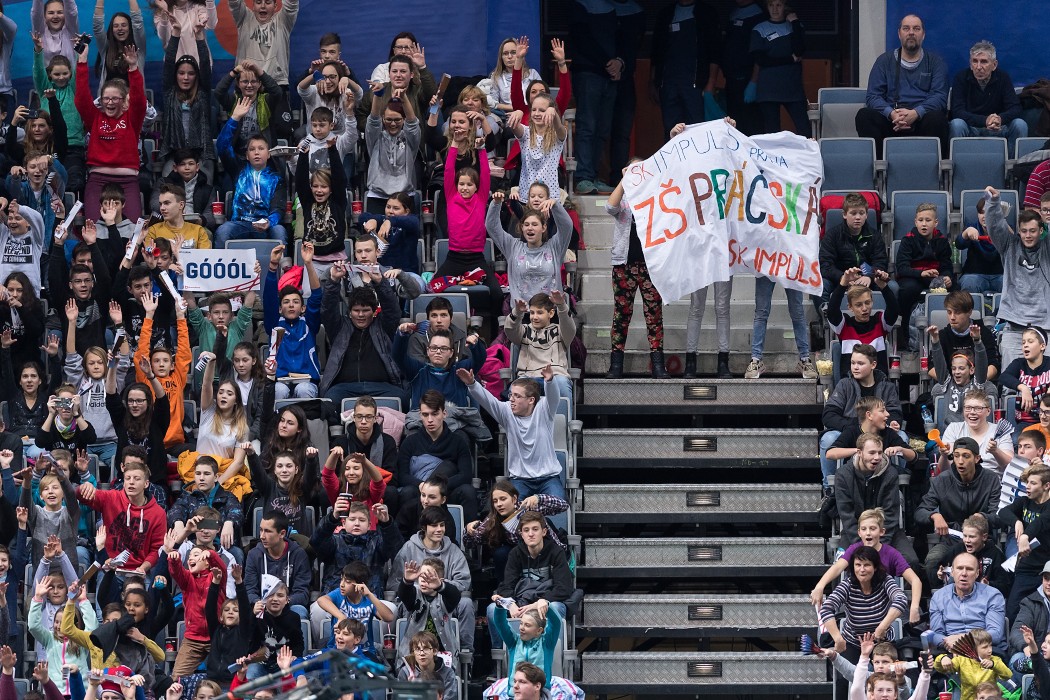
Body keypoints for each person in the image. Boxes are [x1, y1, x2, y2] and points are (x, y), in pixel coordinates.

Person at [463, 366, 566, 529]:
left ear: (531, 400)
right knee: (510, 516)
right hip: (520, 479)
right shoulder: (507, 411)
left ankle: (547, 535)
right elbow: (488, 401)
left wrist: (550, 381)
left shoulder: (544, 409)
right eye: (511, 394)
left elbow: (554, 397)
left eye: (517, 396)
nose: (511, 399)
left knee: (559, 503)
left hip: (548, 477)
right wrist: (472, 384)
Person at [605, 161, 668, 378]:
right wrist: (624, 180)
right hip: (624, 265)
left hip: (651, 266)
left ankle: (658, 364)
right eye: (633, 168)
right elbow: (610, 207)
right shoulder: (624, 199)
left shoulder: (657, 197)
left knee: (654, 315)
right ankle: (616, 365)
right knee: (621, 315)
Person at [855, 13, 949, 156]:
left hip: (922, 120)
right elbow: (873, 96)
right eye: (906, 28)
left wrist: (916, 113)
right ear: (899, 34)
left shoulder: (936, 63)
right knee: (864, 115)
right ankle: (879, 166)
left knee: (937, 119)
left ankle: (930, 166)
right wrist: (891, 114)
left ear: (923, 34)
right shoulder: (883, 61)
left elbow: (940, 96)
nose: (911, 32)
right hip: (892, 121)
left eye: (916, 28)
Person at [918, 442, 1002, 601]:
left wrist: (983, 517)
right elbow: (920, 512)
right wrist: (934, 516)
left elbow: (999, 516)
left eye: (966, 456)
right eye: (956, 456)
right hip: (951, 541)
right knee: (932, 561)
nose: (960, 461)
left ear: (977, 458)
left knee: (998, 564)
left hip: (982, 543)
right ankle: (942, 600)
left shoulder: (991, 479)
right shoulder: (942, 480)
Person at [309, 500, 402, 642]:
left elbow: (395, 547)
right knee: (317, 610)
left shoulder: (377, 542)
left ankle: (376, 647)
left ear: (369, 525)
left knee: (392, 609)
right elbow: (316, 541)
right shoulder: (333, 542)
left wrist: (387, 523)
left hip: (368, 599)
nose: (357, 523)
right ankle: (326, 645)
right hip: (336, 601)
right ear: (343, 523)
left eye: (362, 520)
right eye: (352, 519)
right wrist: (332, 518)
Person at [811, 507, 921, 626]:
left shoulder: (891, 553)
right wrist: (820, 586)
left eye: (872, 529)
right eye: (864, 529)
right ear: (859, 532)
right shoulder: (854, 549)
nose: (868, 532)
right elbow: (837, 567)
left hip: (883, 605)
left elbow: (915, 580)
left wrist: (914, 607)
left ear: (882, 531)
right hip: (857, 605)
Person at [75, 43, 145, 223]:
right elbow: (81, 98)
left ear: (123, 100)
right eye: (106, 98)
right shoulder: (95, 118)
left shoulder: (132, 119)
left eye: (115, 98)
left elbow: (139, 100)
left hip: (128, 181)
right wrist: (82, 61)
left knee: (133, 229)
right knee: (93, 227)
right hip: (97, 180)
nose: (110, 102)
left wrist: (133, 67)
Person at [820, 344, 904, 491]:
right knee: (829, 438)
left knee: (902, 437)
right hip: (850, 432)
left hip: (879, 433)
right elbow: (829, 415)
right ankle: (829, 489)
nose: (855, 367)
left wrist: (893, 422)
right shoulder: (844, 384)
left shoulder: (887, 386)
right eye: (852, 363)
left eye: (860, 363)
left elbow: (895, 412)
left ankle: (897, 487)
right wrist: (852, 425)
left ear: (873, 365)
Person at [830, 434, 919, 569]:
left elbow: (890, 514)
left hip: (886, 531)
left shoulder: (890, 473)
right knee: (841, 564)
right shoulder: (843, 475)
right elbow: (847, 516)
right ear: (859, 453)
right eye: (871, 453)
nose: (877, 457)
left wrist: (880, 546)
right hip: (855, 532)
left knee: (911, 561)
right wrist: (863, 546)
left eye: (879, 452)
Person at [319, 269, 406, 407]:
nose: (360, 315)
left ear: (374, 312)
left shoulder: (383, 326)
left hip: (381, 387)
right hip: (345, 388)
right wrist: (334, 281)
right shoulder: (339, 327)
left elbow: (392, 310)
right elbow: (327, 310)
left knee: (402, 398)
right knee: (330, 400)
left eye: (365, 310)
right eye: (356, 310)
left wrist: (380, 283)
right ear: (349, 312)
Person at [985, 189, 1050, 369]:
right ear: (1019, 231)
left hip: (1045, 328)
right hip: (1014, 327)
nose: (1028, 235)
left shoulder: (1047, 247)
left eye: (1033, 231)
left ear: (1041, 231)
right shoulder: (1009, 246)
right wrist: (993, 202)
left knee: (1046, 383)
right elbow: (995, 226)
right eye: (1024, 231)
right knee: (1010, 381)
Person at [214, 98, 288, 248]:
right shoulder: (238, 169)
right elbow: (222, 146)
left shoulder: (276, 178)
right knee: (223, 230)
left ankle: (280, 264)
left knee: (280, 231)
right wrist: (234, 119)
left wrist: (269, 222)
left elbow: (278, 208)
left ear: (269, 154)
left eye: (261, 149)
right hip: (240, 223)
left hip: (266, 224)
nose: (256, 152)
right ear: (247, 155)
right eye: (252, 149)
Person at [393, 391, 476, 519]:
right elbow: (402, 476)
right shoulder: (410, 442)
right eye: (425, 415)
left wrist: (438, 487)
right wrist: (423, 486)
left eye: (435, 414)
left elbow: (465, 476)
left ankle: (469, 531)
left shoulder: (459, 442)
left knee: (468, 491)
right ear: (420, 415)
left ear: (444, 413)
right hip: (420, 492)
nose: (430, 420)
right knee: (407, 492)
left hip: (446, 491)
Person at [76, 459, 165, 576]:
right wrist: (84, 487)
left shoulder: (158, 513)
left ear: (146, 484)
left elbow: (156, 549)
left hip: (139, 571)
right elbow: (81, 496)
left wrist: (143, 568)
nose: (131, 482)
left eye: (137, 479)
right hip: (109, 568)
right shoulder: (111, 497)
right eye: (127, 478)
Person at [818, 545, 908, 658]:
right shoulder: (848, 584)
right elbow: (826, 609)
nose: (862, 569)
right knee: (847, 668)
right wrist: (838, 638)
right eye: (858, 565)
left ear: (875, 567)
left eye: (867, 565)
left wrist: (882, 627)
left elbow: (901, 599)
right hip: (853, 643)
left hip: (882, 642)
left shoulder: (885, 580)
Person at [649, 0, 721, 136]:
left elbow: (715, 52)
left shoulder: (707, 12)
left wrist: (711, 83)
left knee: (698, 131)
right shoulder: (665, 14)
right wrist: (653, 81)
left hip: (696, 86)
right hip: (668, 85)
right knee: (671, 131)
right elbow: (656, 52)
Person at [164, 529, 227, 677]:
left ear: (206, 561)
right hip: (193, 638)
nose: (191, 558)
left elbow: (221, 568)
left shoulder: (216, 577)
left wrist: (211, 554)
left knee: (225, 677)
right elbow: (176, 572)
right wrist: (173, 557)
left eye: (196, 555)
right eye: (190, 556)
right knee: (176, 679)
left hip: (217, 636)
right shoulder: (187, 579)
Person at [263, 242, 322, 400]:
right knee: (279, 391)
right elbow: (269, 299)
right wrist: (273, 266)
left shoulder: (309, 324)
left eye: (295, 302)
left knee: (303, 390)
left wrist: (308, 264)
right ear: (280, 309)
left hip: (307, 380)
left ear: (303, 308)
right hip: (280, 380)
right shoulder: (274, 325)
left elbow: (316, 296)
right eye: (286, 302)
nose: (291, 305)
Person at [949, 40, 1027, 155]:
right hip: (971, 127)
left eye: (984, 61)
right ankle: (959, 164)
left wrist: (1000, 119)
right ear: (970, 64)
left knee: (1020, 124)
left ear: (994, 65)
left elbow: (1015, 108)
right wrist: (985, 120)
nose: (978, 67)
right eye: (975, 61)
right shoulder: (961, 78)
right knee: (957, 124)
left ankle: (1015, 165)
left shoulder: (1003, 77)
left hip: (998, 128)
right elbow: (957, 111)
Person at [159, 18, 214, 174]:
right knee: (166, 183)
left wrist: (200, 37)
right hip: (175, 155)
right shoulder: (169, 93)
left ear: (196, 76)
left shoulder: (202, 94)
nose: (185, 77)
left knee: (206, 183)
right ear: (175, 75)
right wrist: (175, 34)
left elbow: (204, 63)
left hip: (201, 155)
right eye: (181, 73)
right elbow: (169, 62)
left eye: (191, 73)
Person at [895, 202, 954, 350]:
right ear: (915, 222)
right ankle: (905, 338)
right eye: (920, 220)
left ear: (935, 223)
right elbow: (902, 268)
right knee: (907, 290)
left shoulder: (942, 241)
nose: (924, 224)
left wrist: (948, 277)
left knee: (955, 291)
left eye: (928, 220)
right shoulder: (908, 240)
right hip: (913, 278)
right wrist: (921, 273)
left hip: (935, 278)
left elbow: (946, 266)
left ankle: (950, 336)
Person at [747, 0, 809, 136]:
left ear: (785, 7)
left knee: (805, 129)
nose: (775, 9)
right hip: (768, 90)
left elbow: (799, 51)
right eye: (771, 5)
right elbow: (762, 60)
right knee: (772, 133)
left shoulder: (795, 26)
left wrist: (795, 22)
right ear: (767, 7)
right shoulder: (759, 29)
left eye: (779, 5)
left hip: (793, 88)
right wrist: (790, 59)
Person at [1000, 464, 1050, 621]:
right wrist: (1016, 522)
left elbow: (1041, 522)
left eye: (1033, 483)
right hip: (1027, 566)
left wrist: (1024, 536)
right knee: (1012, 610)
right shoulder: (1024, 502)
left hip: (1047, 566)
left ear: (1046, 486)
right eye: (1027, 482)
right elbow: (1003, 512)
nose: (1027, 486)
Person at [826, 271, 899, 380]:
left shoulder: (880, 322)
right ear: (850, 307)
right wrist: (843, 283)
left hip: (878, 384)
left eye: (867, 303)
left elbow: (894, 310)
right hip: (850, 385)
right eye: (858, 305)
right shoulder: (844, 325)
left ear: (872, 302)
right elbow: (832, 311)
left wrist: (883, 287)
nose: (864, 308)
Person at [505, 291, 575, 400]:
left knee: (562, 384)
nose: (535, 317)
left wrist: (561, 305)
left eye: (539, 313)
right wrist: (517, 312)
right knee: (517, 390)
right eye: (532, 313)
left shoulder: (561, 331)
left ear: (551, 313)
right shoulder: (523, 330)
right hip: (528, 376)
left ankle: (563, 412)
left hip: (556, 375)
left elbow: (570, 326)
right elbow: (509, 329)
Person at [243, 512, 311, 619]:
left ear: (282, 534)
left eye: (268, 531)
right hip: (262, 606)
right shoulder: (254, 555)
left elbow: (302, 592)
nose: (262, 536)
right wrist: (258, 602)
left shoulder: (298, 554)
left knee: (299, 611)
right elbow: (250, 589)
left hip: (289, 606)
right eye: (261, 530)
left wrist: (282, 602)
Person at [395, 558, 462, 667]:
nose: (423, 580)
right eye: (421, 576)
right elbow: (404, 594)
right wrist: (407, 581)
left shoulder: (445, 598)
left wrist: (440, 586)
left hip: (441, 656)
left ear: (440, 580)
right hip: (413, 655)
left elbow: (455, 595)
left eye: (428, 577)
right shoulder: (414, 594)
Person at [929, 289, 1001, 382]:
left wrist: (975, 384)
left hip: (978, 385)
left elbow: (994, 365)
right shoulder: (943, 335)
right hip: (950, 383)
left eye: (957, 313)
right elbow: (931, 367)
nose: (952, 317)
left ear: (969, 312)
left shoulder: (983, 332)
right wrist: (952, 385)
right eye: (949, 312)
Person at [364, 83, 420, 201]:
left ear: (403, 119)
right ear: (383, 119)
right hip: (377, 194)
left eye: (397, 120)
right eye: (389, 119)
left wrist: (404, 98)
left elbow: (413, 124)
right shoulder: (376, 138)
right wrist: (378, 95)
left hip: (405, 195)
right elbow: (373, 121)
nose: (393, 124)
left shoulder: (410, 139)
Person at [935, 514, 1009, 599]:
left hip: (984, 598)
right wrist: (940, 573)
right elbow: (940, 566)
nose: (967, 540)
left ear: (984, 537)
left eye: (972, 537)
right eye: (965, 536)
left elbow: (1005, 586)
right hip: (959, 597)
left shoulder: (995, 554)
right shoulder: (958, 549)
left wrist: (988, 584)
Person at [940, 391, 1014, 474]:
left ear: (988, 411)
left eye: (978, 408)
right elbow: (944, 470)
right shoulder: (953, 428)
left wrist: (996, 451)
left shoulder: (1000, 431)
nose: (972, 412)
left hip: (991, 477)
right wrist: (944, 456)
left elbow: (1011, 467)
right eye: (968, 408)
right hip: (960, 478)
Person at [228, 0, 297, 88]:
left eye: (268, 3)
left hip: (276, 83)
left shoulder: (283, 21)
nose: (263, 6)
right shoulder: (244, 18)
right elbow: (234, 3)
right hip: (247, 83)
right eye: (258, 2)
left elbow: (291, 4)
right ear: (253, 6)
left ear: (275, 6)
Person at [936, 627, 1011, 700]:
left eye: (990, 646)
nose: (990, 650)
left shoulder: (995, 660)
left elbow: (1008, 675)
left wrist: (993, 665)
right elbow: (940, 669)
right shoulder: (962, 660)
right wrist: (943, 658)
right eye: (985, 647)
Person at [1001, 327, 1050, 431]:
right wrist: (1023, 388)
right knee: (1016, 439)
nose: (1025, 345)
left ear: (1042, 346)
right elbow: (1004, 377)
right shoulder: (1019, 363)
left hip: (1047, 421)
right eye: (1023, 342)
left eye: (1030, 341)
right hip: (1025, 422)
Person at [956, 197, 1005, 296]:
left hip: (1000, 275)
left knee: (1012, 284)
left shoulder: (1005, 227)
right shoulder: (972, 227)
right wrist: (966, 232)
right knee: (969, 283)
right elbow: (959, 244)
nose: (985, 216)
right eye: (981, 212)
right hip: (974, 275)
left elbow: (1015, 246)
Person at [144, 183, 211, 250]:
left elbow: (204, 256)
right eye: (160, 204)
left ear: (181, 205)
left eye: (167, 203)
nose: (162, 208)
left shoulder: (199, 231)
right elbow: (150, 255)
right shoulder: (153, 231)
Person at [397, 631, 458, 700]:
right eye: (417, 649)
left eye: (426, 648)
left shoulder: (447, 673)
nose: (422, 653)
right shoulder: (405, 672)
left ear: (435, 651)